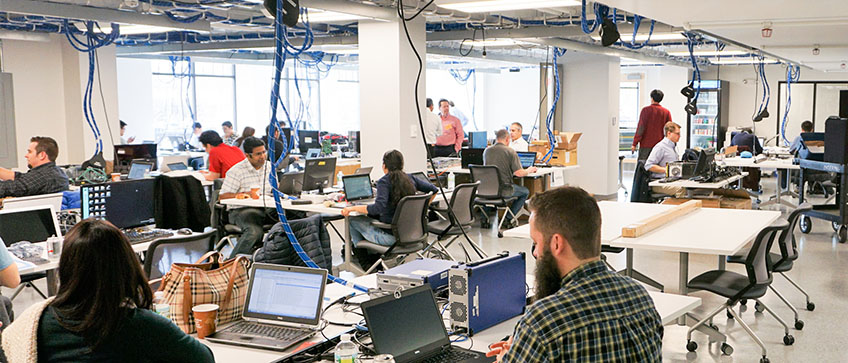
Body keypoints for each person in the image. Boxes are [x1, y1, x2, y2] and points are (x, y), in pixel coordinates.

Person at [1, 219, 214, 362]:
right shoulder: (142, 325)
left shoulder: (33, 323)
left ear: (65, 267)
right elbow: (205, 359)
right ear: (126, 265)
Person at [490, 187, 663, 362]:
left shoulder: (543, 322)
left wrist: (506, 357)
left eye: (536, 243)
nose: (535, 253)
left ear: (557, 243)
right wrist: (524, 348)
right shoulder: (640, 296)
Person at [341, 150, 437, 262]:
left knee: (352, 219)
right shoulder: (410, 178)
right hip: (413, 234)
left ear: (384, 166)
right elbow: (434, 190)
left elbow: (378, 208)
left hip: (392, 238)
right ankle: (372, 257)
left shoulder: (384, 182)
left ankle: (365, 260)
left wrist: (353, 208)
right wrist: (423, 207)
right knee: (372, 218)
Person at [219, 137, 278, 257]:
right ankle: (232, 266)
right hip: (242, 210)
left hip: (266, 208)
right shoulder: (236, 171)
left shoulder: (269, 167)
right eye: (258, 154)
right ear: (248, 155)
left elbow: (275, 189)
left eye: (263, 152)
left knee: (294, 221)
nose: (262, 156)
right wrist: (244, 195)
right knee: (254, 232)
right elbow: (222, 197)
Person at [482, 129, 537, 228]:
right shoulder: (510, 151)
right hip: (504, 190)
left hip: (487, 190)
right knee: (525, 191)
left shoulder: (487, 151)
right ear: (507, 139)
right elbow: (519, 173)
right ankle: (507, 219)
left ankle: (484, 219)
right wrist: (529, 170)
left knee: (491, 194)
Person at [0, 136, 69, 198]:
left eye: (30, 152)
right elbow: (22, 178)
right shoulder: (55, 171)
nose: (26, 155)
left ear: (42, 155)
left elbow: (11, 188)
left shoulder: (43, 176)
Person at [645, 122, 684, 197]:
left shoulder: (672, 147)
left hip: (671, 180)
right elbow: (648, 165)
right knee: (681, 189)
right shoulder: (661, 147)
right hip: (659, 182)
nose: (679, 136)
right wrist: (667, 170)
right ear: (669, 133)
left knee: (689, 187)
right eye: (677, 134)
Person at [632, 90, 672, 161]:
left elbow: (641, 128)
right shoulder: (666, 112)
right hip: (660, 146)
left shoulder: (645, 110)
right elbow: (670, 130)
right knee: (658, 167)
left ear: (652, 98)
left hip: (646, 146)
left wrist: (635, 143)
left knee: (644, 168)